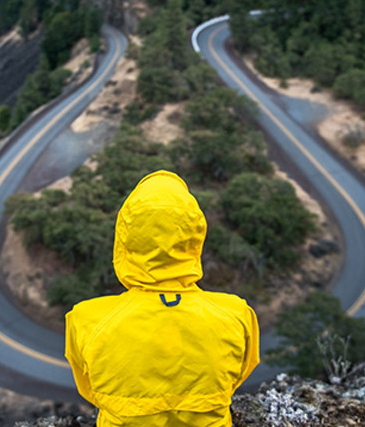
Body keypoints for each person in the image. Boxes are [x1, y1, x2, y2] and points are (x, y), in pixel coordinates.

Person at [65, 170, 260, 426]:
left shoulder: (86, 320)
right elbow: (237, 377)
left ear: (124, 240)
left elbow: (91, 390)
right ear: (195, 237)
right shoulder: (237, 315)